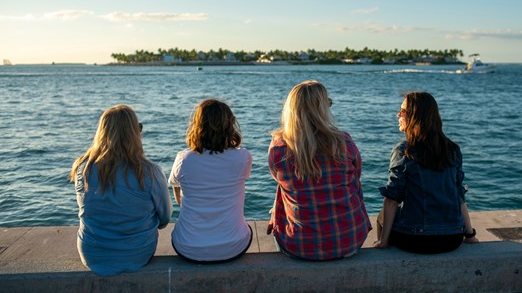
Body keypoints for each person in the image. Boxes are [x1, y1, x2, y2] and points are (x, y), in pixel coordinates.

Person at [267, 80, 372, 260]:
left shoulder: (278, 148)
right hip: (349, 239)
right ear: (322, 109)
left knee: (284, 189)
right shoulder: (344, 142)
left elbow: (277, 178)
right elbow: (356, 177)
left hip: (299, 246)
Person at [70, 105, 172, 276]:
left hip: (92, 254)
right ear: (134, 133)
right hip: (137, 254)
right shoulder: (150, 171)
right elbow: (164, 220)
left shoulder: (83, 169)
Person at [374, 92, 479, 254]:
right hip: (452, 239)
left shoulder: (404, 150)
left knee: (382, 215)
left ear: (414, 117)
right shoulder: (452, 149)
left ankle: (384, 243)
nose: (398, 115)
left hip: (415, 240)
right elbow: (459, 197)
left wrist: (383, 241)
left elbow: (392, 200)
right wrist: (469, 235)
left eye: (402, 111)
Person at [169, 99, 253, 263]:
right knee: (246, 228)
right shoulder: (242, 157)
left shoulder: (184, 159)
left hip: (188, 246)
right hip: (233, 246)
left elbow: (176, 188)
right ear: (230, 125)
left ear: (196, 125)